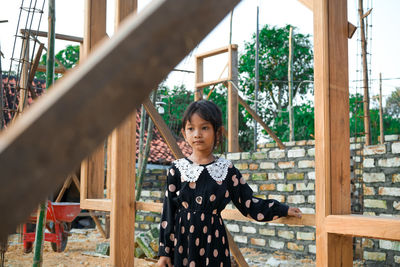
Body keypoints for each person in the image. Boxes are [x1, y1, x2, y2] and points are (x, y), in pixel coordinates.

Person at [157, 100, 302, 267]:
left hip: (214, 244)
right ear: (184, 133)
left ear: (217, 133)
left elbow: (249, 203)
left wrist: (283, 209)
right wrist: (164, 252)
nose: (197, 134)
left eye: (204, 128)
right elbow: (168, 212)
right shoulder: (176, 169)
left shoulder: (226, 170)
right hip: (183, 245)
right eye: (191, 128)